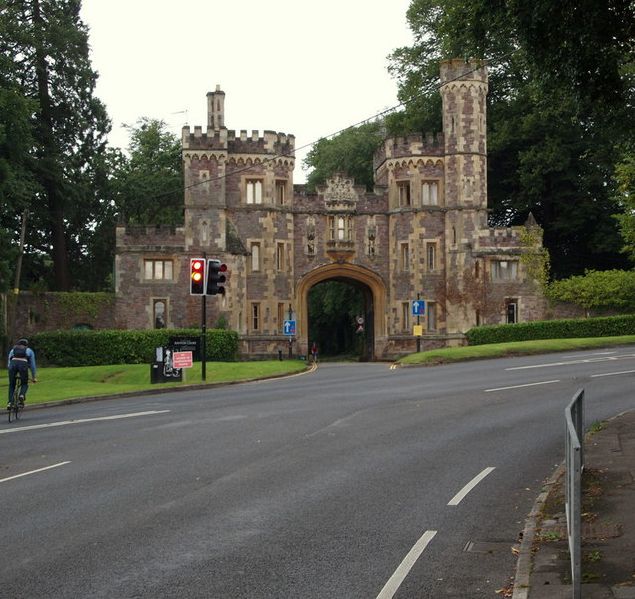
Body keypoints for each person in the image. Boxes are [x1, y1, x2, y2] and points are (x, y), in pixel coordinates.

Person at [7, 338, 37, 410]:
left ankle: (10, 403)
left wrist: (11, 371)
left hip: (12, 365)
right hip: (23, 366)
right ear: (26, 345)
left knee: (12, 385)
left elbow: (9, 362)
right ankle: (22, 395)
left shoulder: (13, 350)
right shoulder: (29, 350)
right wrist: (33, 377)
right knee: (24, 383)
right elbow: (32, 366)